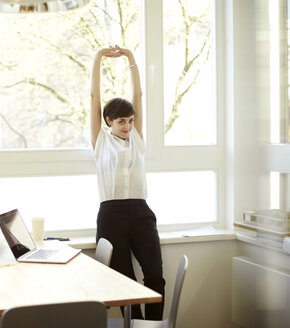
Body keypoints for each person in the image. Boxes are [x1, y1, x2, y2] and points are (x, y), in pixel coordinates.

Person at [90, 45, 166, 320]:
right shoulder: (101, 141)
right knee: (124, 283)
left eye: (131, 121)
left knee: (155, 277)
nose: (127, 126)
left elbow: (138, 95)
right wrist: (98, 58)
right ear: (108, 121)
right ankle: (134, 326)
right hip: (111, 215)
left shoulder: (136, 138)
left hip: (141, 212)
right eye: (122, 121)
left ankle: (153, 326)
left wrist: (131, 58)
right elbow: (94, 97)